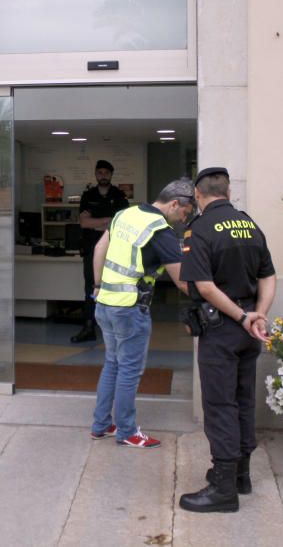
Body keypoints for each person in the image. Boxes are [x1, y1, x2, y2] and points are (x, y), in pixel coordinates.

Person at [178, 167, 276, 514]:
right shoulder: (250, 225)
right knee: (243, 399)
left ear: (199, 196)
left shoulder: (200, 229)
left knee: (220, 406)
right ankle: (241, 476)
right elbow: (268, 275)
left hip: (222, 330)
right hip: (250, 332)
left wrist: (241, 316)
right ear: (229, 192)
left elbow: (203, 287)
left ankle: (222, 489)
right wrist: (258, 315)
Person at [89, 178, 195, 448]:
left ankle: (101, 425)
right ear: (174, 203)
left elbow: (99, 249)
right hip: (130, 309)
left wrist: (98, 286)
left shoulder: (125, 213)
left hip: (105, 302)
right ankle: (126, 431)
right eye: (185, 212)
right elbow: (182, 281)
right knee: (129, 371)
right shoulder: (161, 229)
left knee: (112, 363)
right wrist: (214, 299)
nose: (184, 219)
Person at [72, 159, 130, 343]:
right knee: (91, 287)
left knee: (114, 288)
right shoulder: (88, 195)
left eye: (106, 173)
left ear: (111, 175)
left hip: (114, 249)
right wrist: (107, 221)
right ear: (96, 174)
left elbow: (121, 222)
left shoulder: (119, 195)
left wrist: (97, 223)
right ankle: (88, 327)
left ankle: (115, 330)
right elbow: (84, 222)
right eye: (100, 173)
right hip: (91, 249)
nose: (103, 176)